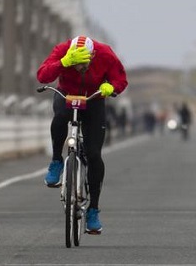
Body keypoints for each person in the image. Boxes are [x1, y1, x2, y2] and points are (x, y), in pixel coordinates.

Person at [36, 35, 128, 235]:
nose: (79, 69)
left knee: (94, 154)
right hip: (67, 95)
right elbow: (42, 75)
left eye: (83, 64)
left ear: (93, 55)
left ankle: (93, 210)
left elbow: (120, 78)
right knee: (60, 117)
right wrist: (64, 62)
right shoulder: (62, 49)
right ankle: (56, 161)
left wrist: (111, 87)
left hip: (94, 99)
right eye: (75, 64)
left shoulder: (105, 53)